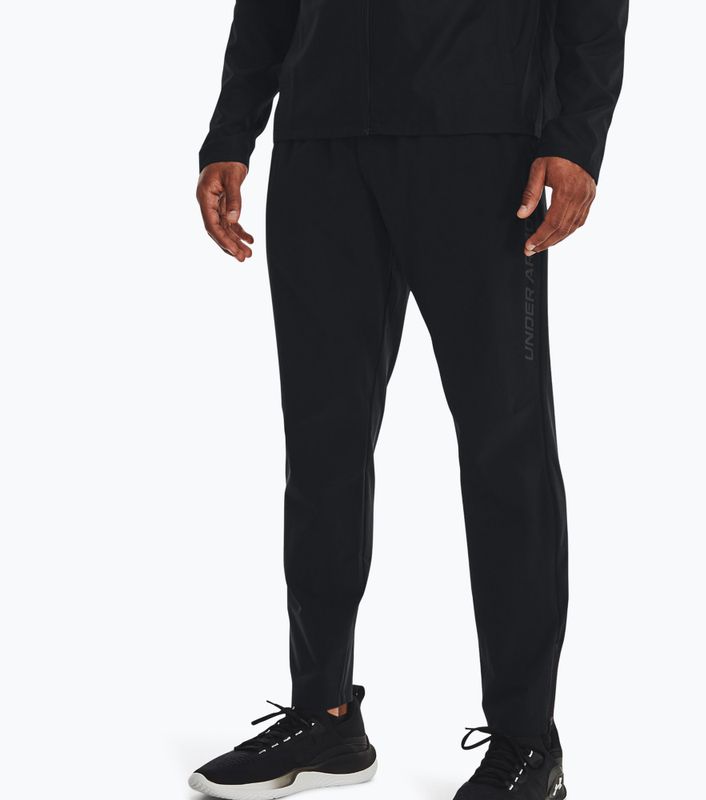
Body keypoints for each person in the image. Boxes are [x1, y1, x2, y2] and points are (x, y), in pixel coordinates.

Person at [190, 0, 627, 797]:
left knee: (505, 444)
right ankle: (324, 714)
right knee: (321, 444)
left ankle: (528, 741)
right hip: (321, 143)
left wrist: (576, 137)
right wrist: (231, 132)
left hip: (480, 140)